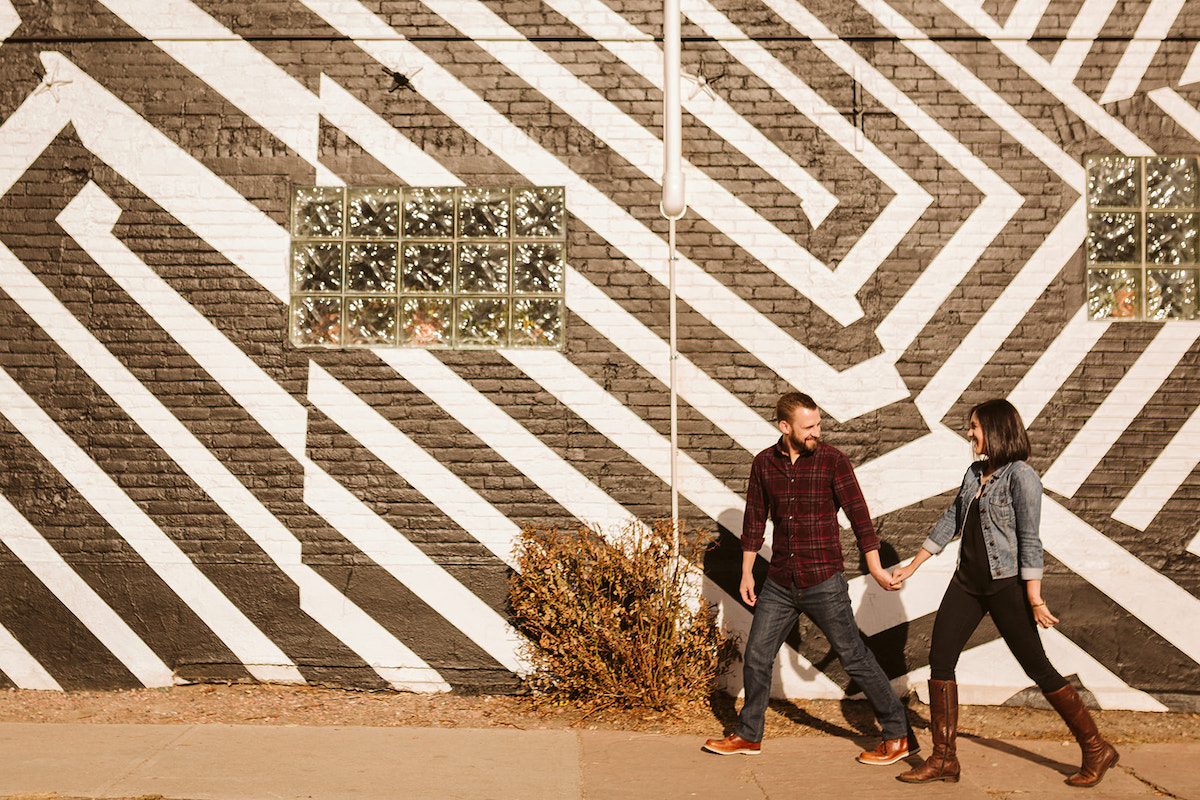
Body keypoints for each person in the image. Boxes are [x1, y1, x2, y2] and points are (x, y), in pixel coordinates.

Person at [888, 399, 1118, 787]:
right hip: (967, 583)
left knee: (1038, 668)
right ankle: (945, 758)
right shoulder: (975, 472)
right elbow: (952, 520)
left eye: (975, 426)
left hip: (1005, 585)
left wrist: (1035, 597)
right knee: (940, 658)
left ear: (995, 429)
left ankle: (1096, 747)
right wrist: (913, 564)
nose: (970, 433)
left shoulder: (1020, 476)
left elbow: (1030, 539)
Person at [703, 392, 916, 765]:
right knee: (757, 656)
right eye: (809, 426)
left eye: (818, 423)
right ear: (785, 428)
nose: (818, 431)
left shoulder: (833, 461)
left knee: (855, 658)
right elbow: (754, 520)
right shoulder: (764, 464)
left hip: (823, 580)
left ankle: (898, 736)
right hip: (780, 582)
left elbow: (860, 517)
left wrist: (876, 568)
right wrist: (747, 573)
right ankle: (748, 735)